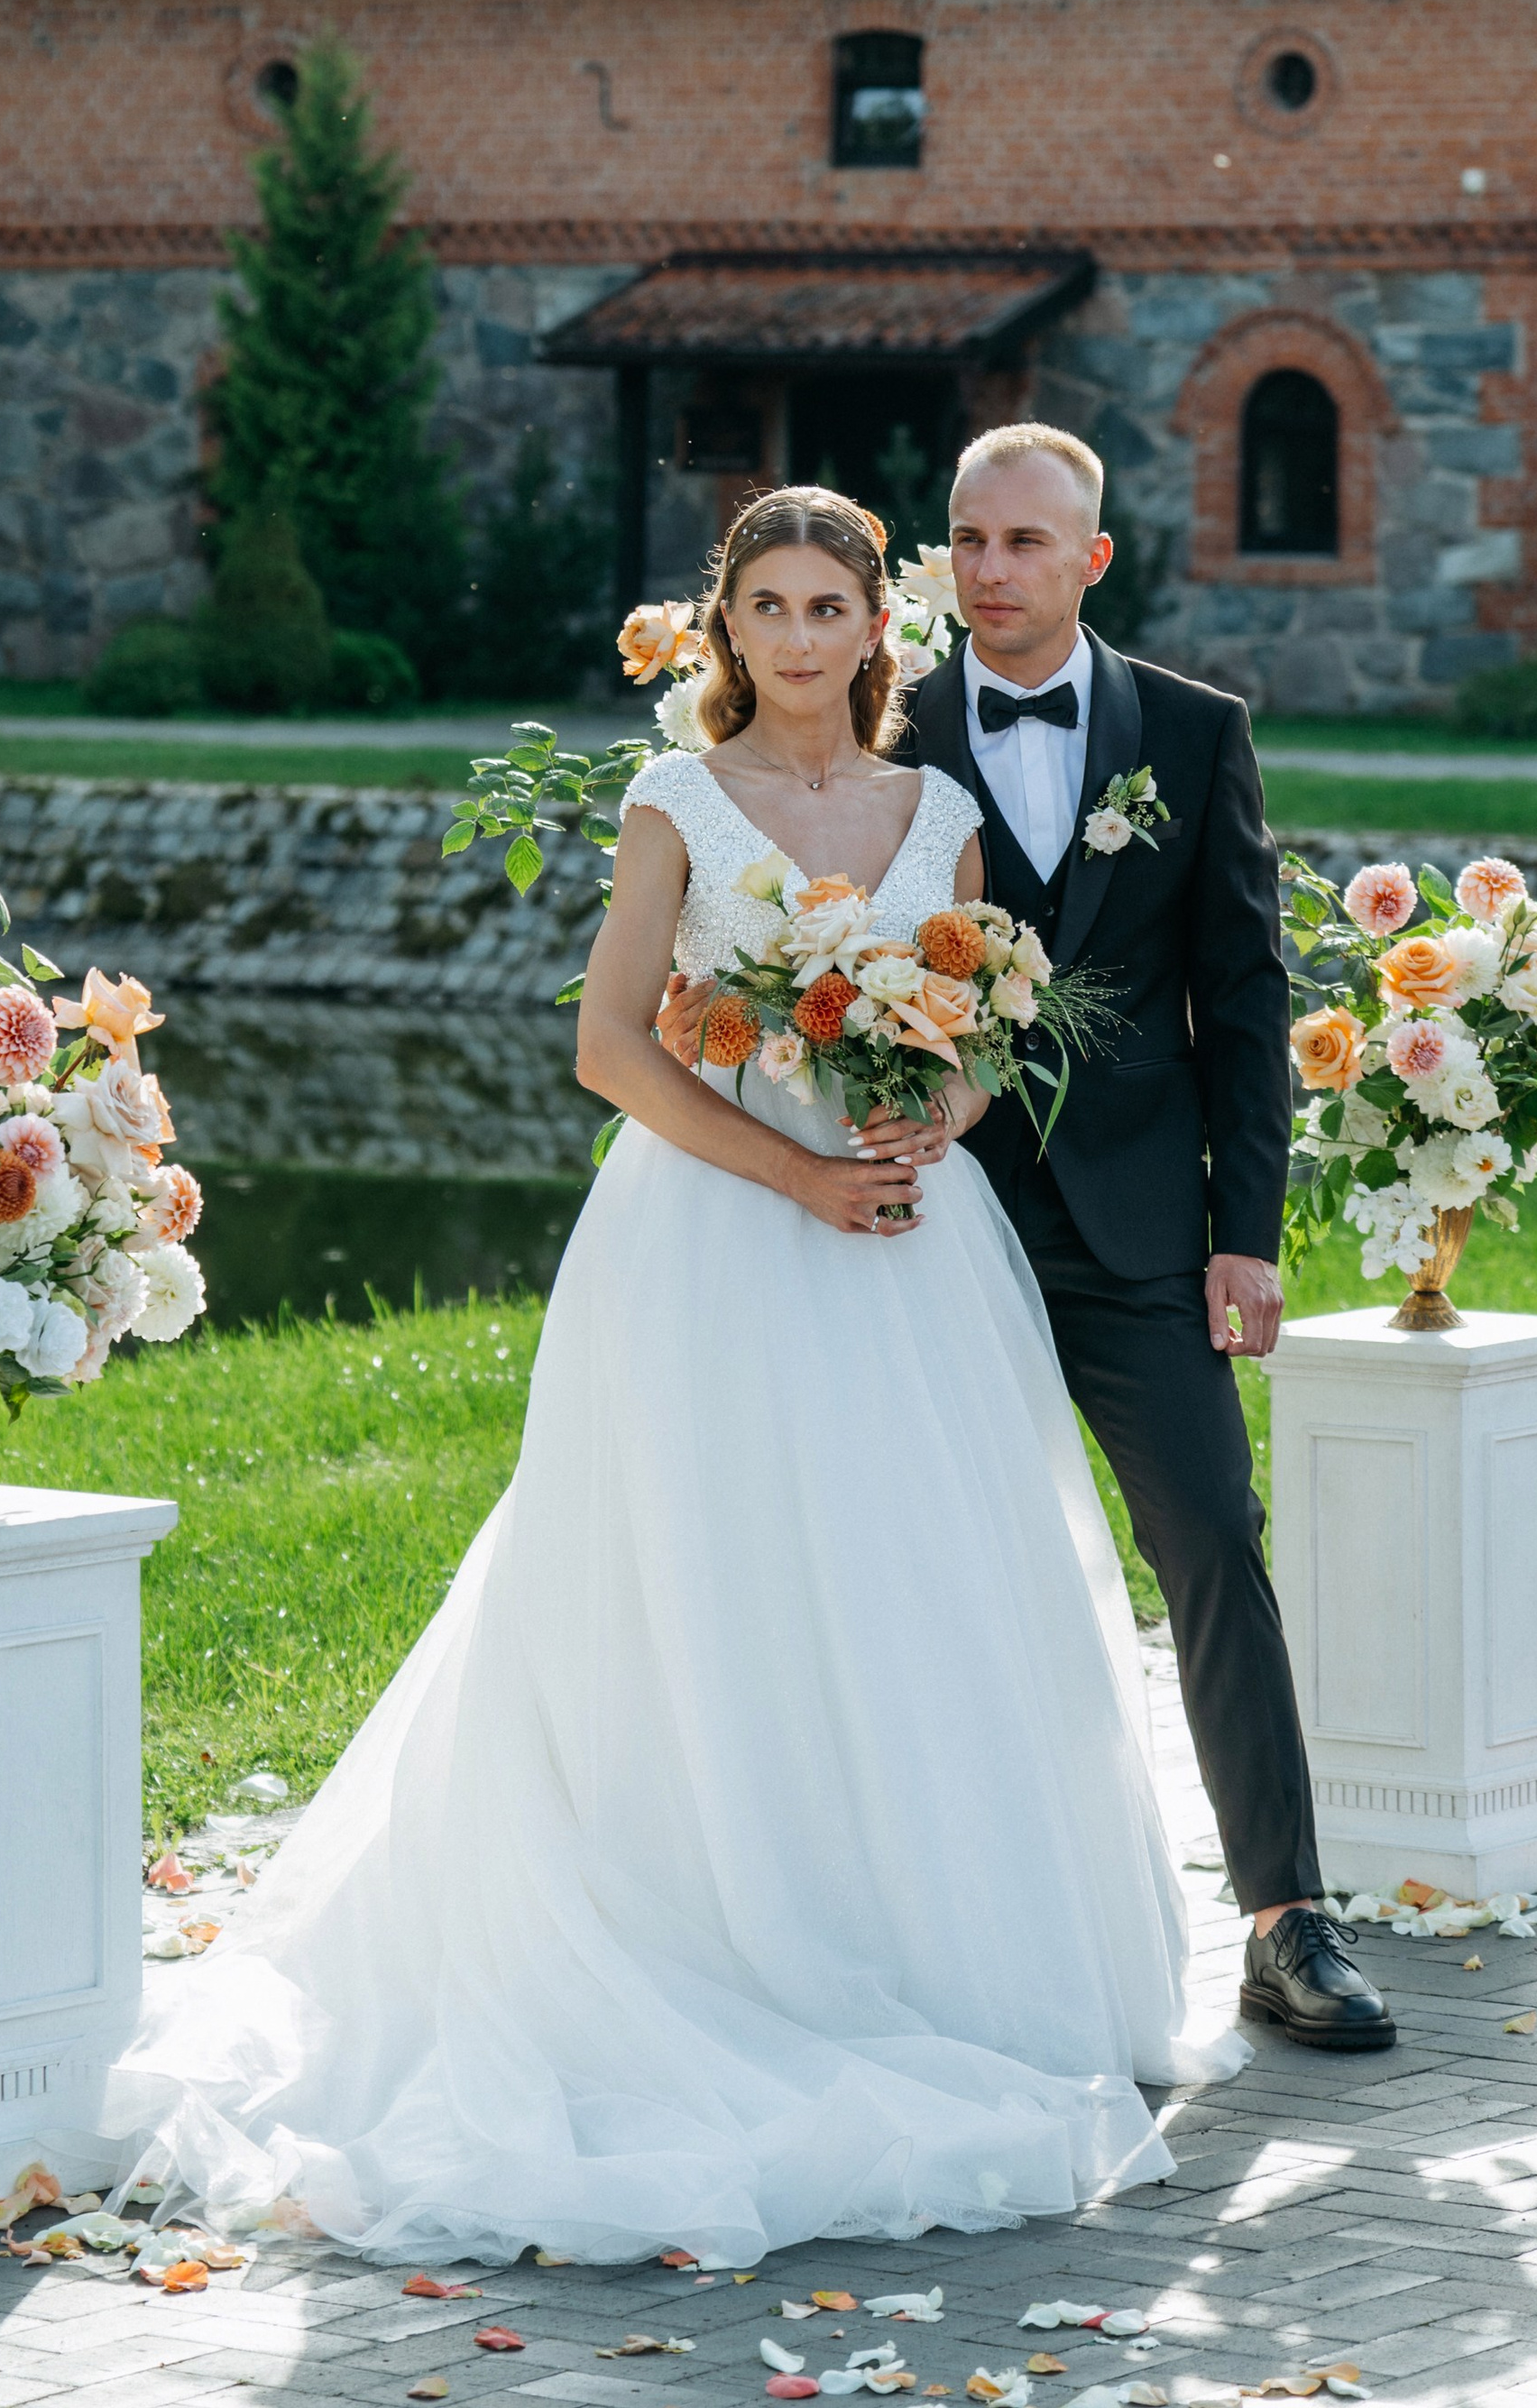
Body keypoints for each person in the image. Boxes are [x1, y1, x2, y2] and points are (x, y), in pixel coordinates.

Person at [99, 484, 1247, 2266]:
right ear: (727, 631)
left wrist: (917, 1126)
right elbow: (606, 1043)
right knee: (696, 1576)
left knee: (904, 1581)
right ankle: (699, 1917)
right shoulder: (675, 803)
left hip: (905, 1250)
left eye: (828, 609)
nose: (799, 640)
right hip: (709, 1234)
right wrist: (794, 1165)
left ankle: (916, 1939)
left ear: (883, 630)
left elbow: (981, 1020)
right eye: (768, 608)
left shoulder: (932, 808)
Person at [664, 426, 1390, 2058]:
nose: (990, 570)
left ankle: (1288, 1919)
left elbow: (1250, 996)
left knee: (1209, 1534)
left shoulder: (1196, 737)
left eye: (1024, 544)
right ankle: (896, 1935)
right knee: (905, 1577)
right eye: (968, 541)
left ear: (1092, 561)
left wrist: (1245, 1235)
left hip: (1140, 1233)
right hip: (919, 1227)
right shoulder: (867, 720)